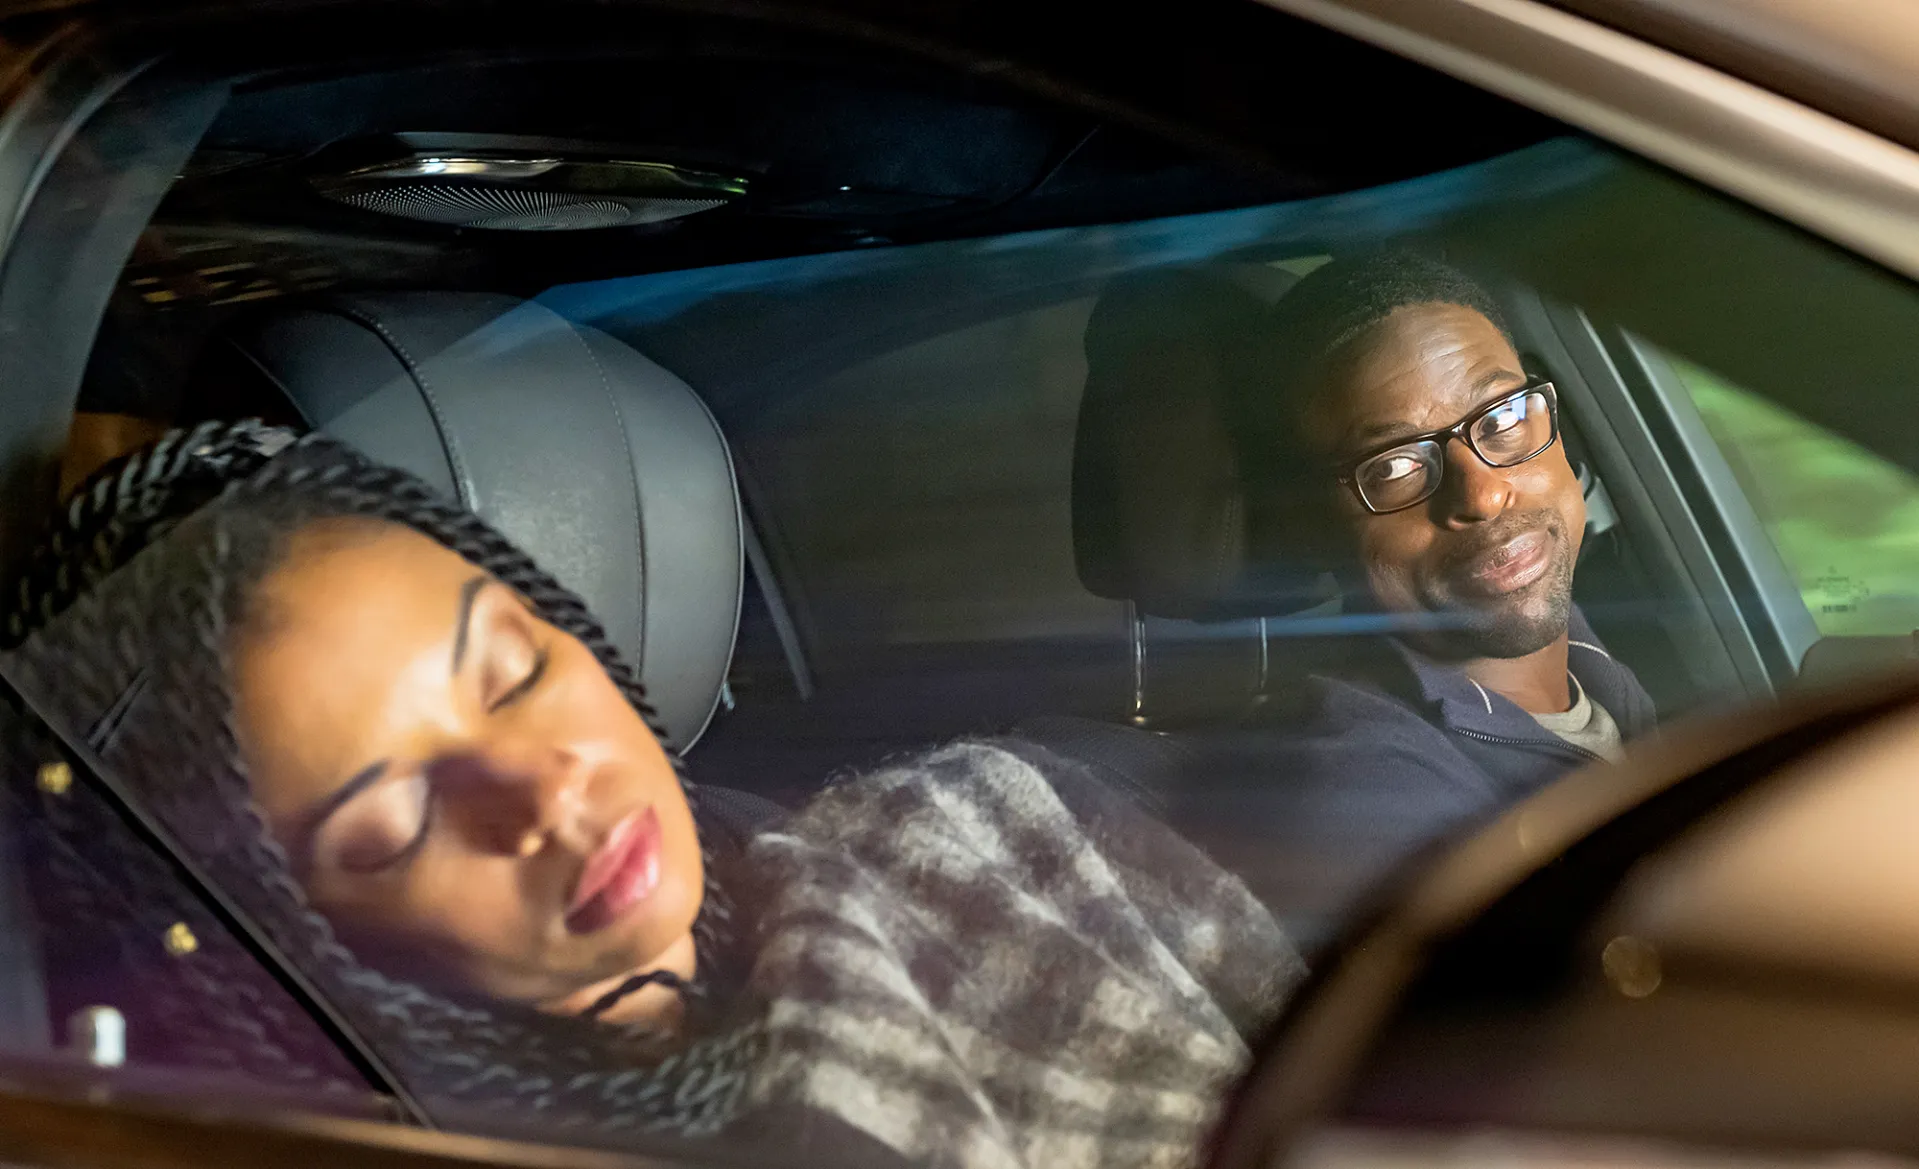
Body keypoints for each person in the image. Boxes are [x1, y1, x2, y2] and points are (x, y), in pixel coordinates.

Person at [0, 421, 1302, 1169]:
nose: (542, 791)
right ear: (293, 940)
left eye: (511, 670)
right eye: (392, 827)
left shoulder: (982, 824)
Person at [1206, 251, 1659, 923]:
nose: (1482, 494)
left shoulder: (1597, 668)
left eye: (1501, 419)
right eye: (1394, 466)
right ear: (1311, 527)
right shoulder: (1374, 799)